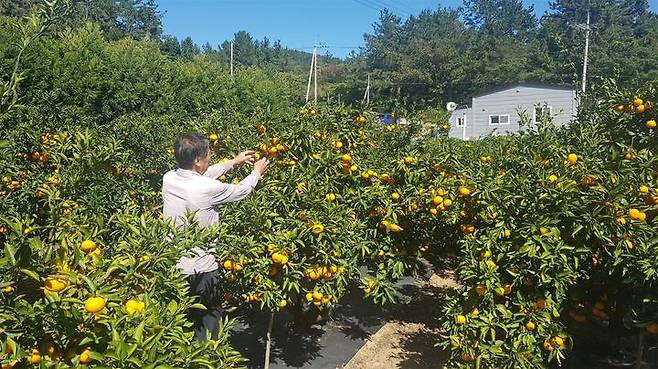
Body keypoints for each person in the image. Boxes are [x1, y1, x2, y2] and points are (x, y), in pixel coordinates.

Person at [162, 132, 269, 340]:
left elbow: (203, 175)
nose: (210, 157)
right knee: (207, 324)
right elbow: (241, 191)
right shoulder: (208, 189)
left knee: (181, 322)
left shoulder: (169, 178)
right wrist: (256, 172)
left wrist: (233, 163)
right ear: (197, 160)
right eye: (208, 154)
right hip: (202, 270)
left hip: (173, 266)